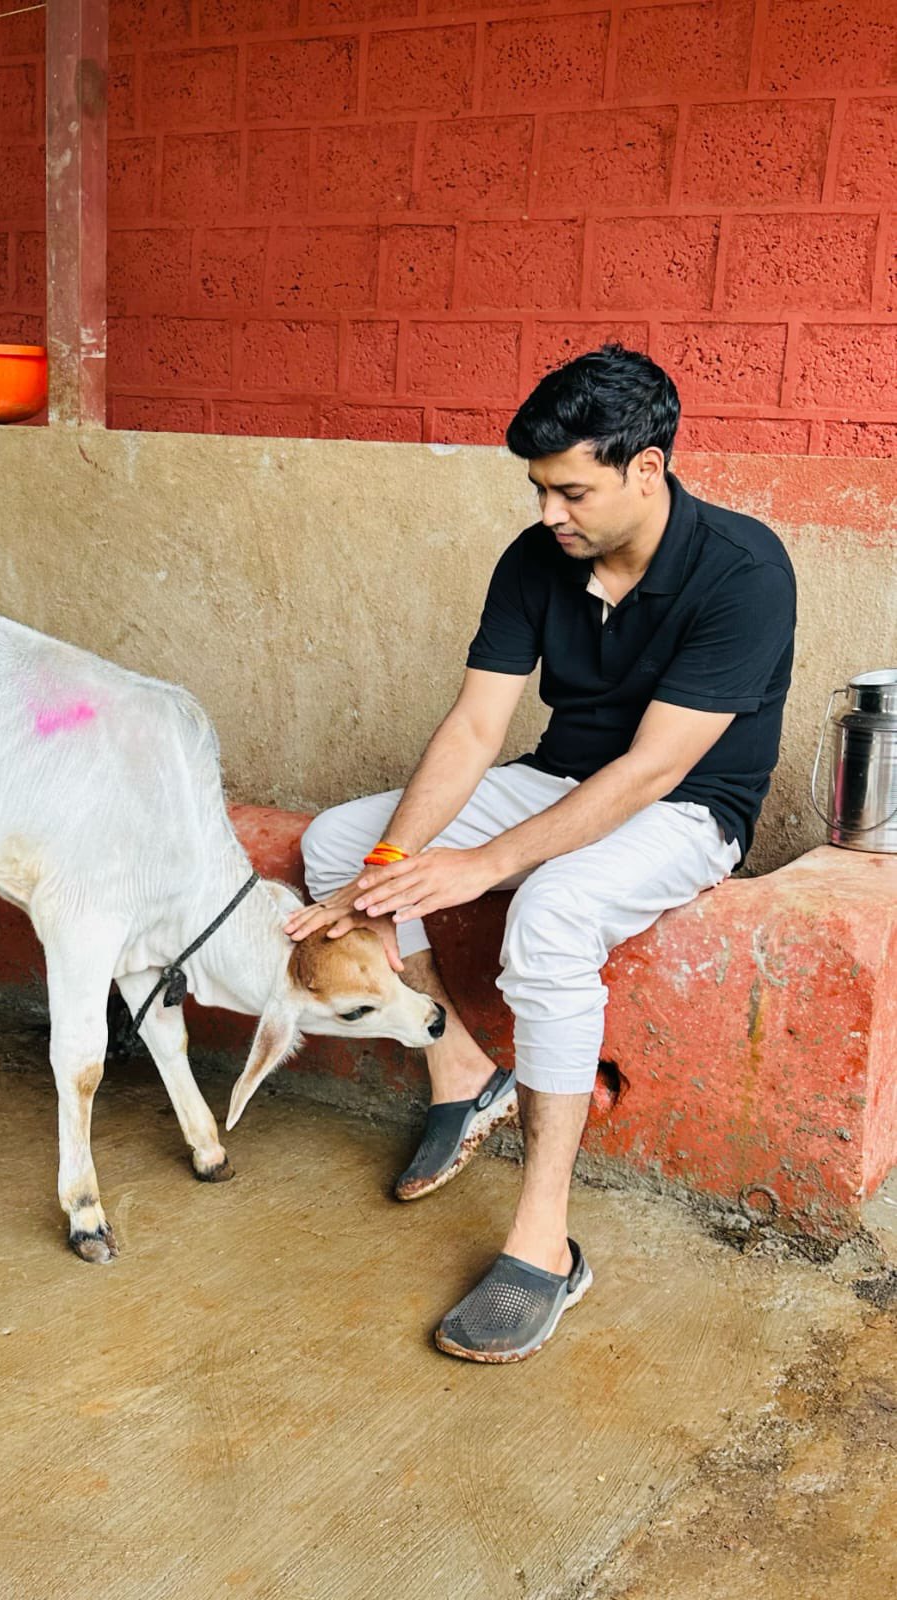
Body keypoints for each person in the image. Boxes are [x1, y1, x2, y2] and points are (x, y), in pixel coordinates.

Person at [286, 345, 796, 1363]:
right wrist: (395, 858)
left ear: (644, 470)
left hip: (685, 809)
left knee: (551, 910)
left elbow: (650, 771)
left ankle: (543, 1242)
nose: (549, 511)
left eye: (570, 489)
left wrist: (479, 866)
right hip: (558, 776)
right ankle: (459, 1066)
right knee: (339, 842)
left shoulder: (742, 571)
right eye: (537, 488)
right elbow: (477, 727)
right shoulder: (535, 558)